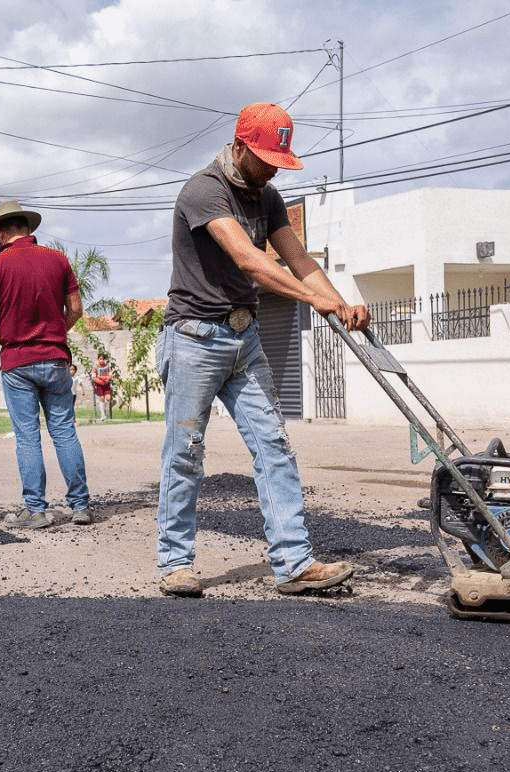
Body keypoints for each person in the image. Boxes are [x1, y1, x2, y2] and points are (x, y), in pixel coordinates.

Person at [156, 102, 370, 598]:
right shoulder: (204, 189)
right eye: (266, 159)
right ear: (239, 147)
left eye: (280, 160)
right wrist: (313, 300)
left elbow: (299, 259)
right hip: (193, 338)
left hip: (244, 338)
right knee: (185, 452)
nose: (274, 169)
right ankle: (176, 563)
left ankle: (294, 562)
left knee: (275, 446)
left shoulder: (268, 196)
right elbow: (248, 260)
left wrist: (340, 304)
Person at [0, 200, 93, 529]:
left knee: (27, 437)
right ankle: (81, 506)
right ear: (27, 228)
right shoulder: (58, 260)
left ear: (0, 233)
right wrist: (56, 333)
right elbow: (76, 309)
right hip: (55, 359)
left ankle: (36, 510)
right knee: (64, 431)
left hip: (17, 362)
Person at [91, 353, 115, 419]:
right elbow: (94, 377)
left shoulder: (107, 367)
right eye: (100, 359)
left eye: (103, 359)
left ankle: (104, 409)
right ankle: (103, 414)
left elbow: (110, 375)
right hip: (99, 385)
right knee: (102, 398)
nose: (102, 361)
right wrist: (100, 380)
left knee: (108, 398)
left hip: (106, 384)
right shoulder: (95, 367)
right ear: (98, 359)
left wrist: (104, 378)